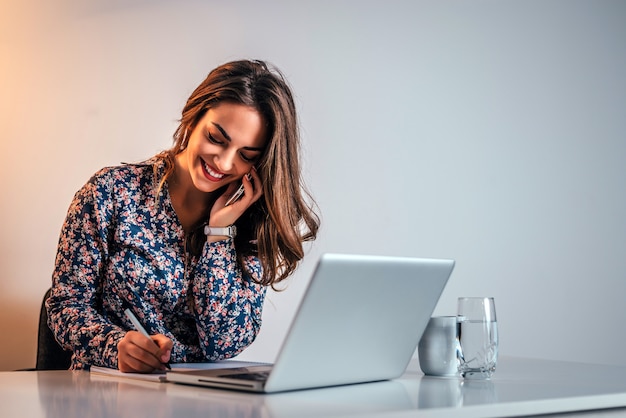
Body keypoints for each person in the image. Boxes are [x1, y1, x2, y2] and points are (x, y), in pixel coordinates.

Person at [46, 59, 320, 372]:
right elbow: (65, 305)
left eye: (247, 155)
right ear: (193, 117)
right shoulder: (111, 192)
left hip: (200, 397)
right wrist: (114, 346)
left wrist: (219, 234)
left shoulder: (252, 223)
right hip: (108, 389)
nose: (226, 163)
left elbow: (225, 344)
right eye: (217, 138)